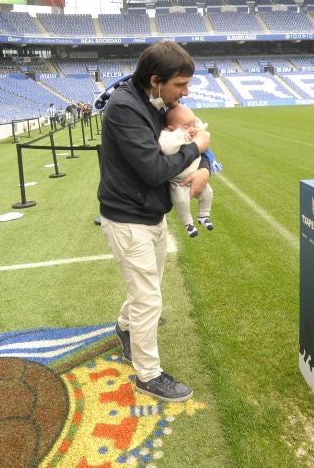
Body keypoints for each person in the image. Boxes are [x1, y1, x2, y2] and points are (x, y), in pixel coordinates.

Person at [97, 40, 211, 403]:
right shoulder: (124, 108)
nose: (186, 93)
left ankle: (125, 328)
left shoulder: (159, 100)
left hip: (150, 214)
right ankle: (148, 375)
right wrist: (198, 150)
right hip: (128, 217)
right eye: (180, 84)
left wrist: (204, 166)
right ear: (156, 79)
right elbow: (153, 169)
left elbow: (192, 134)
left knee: (148, 289)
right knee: (148, 298)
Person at [159, 104, 215, 237]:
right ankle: (188, 224)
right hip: (178, 181)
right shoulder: (169, 137)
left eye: (193, 124)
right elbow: (166, 148)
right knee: (181, 201)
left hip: (196, 174)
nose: (192, 129)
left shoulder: (194, 133)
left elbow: (200, 130)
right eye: (186, 126)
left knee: (208, 193)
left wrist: (196, 128)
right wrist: (181, 136)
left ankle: (204, 215)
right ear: (171, 129)